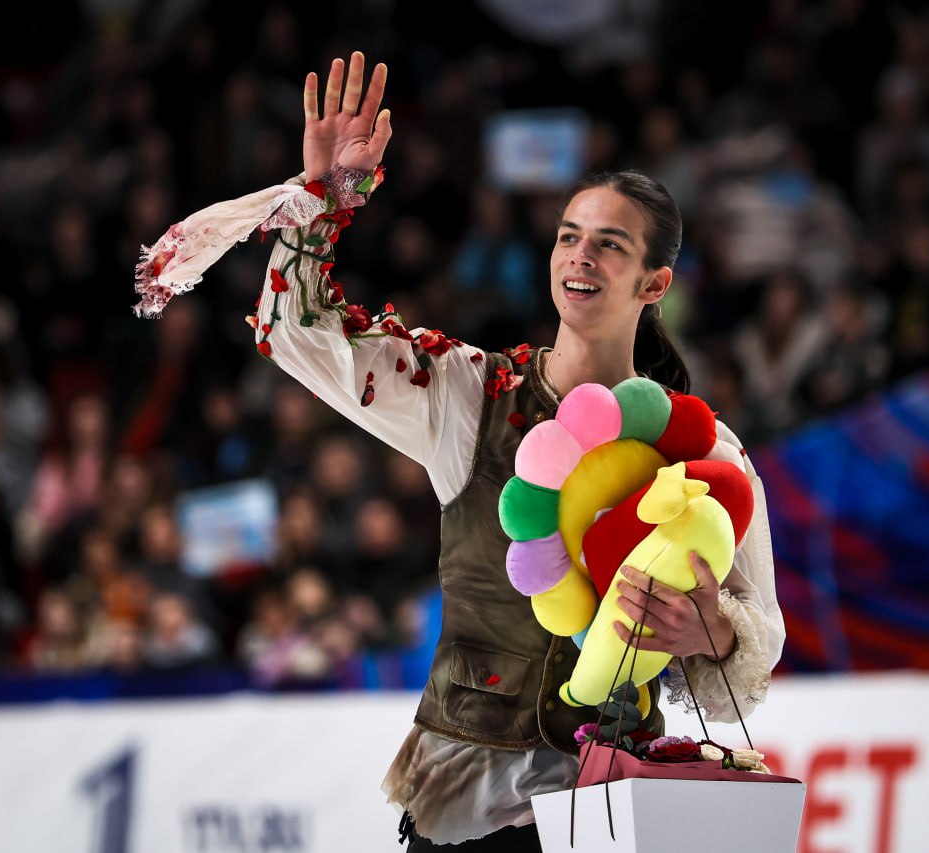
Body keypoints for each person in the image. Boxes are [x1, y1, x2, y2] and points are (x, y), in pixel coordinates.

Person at [135, 51, 783, 852]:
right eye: (568, 236)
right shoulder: (471, 393)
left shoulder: (699, 444)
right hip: (466, 804)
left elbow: (761, 635)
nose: (579, 256)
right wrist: (325, 197)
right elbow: (297, 331)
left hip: (614, 807)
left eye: (610, 244)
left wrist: (713, 631)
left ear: (655, 284)